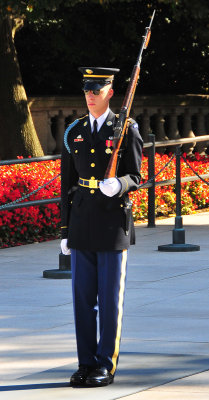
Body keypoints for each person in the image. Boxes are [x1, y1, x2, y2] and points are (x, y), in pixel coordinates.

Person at [60, 67, 143, 387]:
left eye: (96, 89)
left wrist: (119, 185)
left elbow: (136, 176)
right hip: (82, 222)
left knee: (109, 300)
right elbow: (67, 184)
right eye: (86, 90)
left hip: (111, 224)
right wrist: (65, 232)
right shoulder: (74, 131)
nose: (90, 95)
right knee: (82, 300)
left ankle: (105, 364)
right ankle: (85, 362)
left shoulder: (126, 128)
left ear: (110, 92)